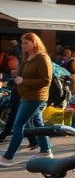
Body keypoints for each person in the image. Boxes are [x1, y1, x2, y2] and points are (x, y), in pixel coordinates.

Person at [0, 33, 54, 165]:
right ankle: (46, 150)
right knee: (37, 123)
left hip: (35, 97)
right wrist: (17, 74)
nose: (22, 45)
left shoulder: (42, 58)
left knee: (18, 125)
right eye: (22, 42)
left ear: (34, 43)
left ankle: (8, 157)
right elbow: (25, 74)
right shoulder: (27, 57)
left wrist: (24, 80)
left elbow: (46, 80)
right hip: (26, 95)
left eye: (26, 43)